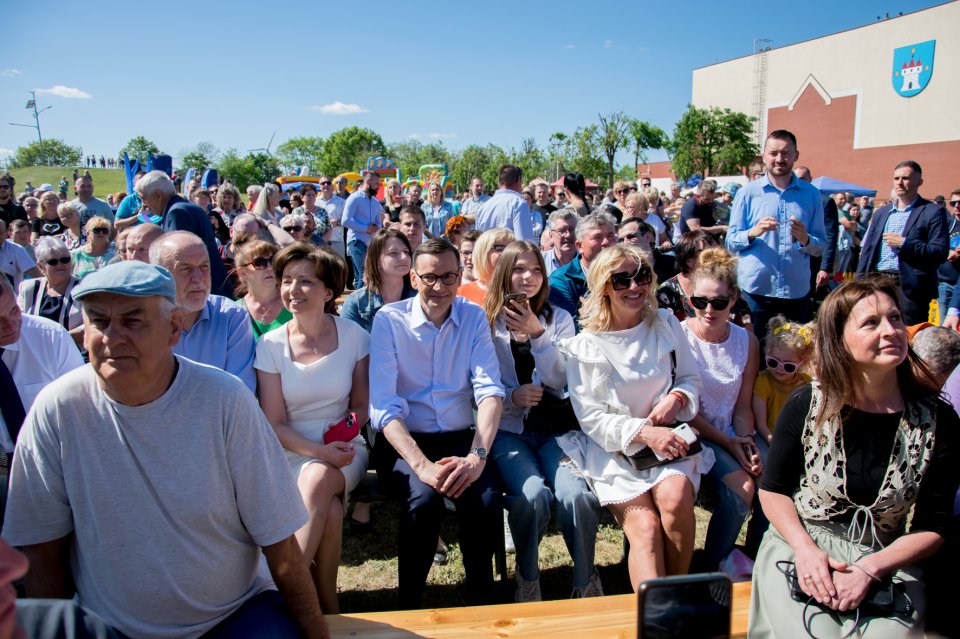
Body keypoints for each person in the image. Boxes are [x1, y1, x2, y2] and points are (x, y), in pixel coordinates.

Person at [2, 261, 329, 638]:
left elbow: (279, 542)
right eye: (98, 321)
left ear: (173, 328)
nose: (112, 336)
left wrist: (315, 632)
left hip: (235, 616)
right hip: (111, 627)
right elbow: (43, 551)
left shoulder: (223, 400)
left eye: (132, 321)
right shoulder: (57, 409)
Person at [749, 276, 960, 638]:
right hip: (803, 545)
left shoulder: (938, 419)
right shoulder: (808, 404)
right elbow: (773, 491)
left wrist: (871, 568)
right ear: (839, 340)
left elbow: (933, 525)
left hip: (886, 557)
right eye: (871, 323)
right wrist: (805, 550)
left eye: (895, 318)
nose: (891, 330)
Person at [559, 245, 713, 590]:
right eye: (621, 279)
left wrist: (676, 398)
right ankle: (655, 618)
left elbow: (690, 379)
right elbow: (592, 419)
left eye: (641, 276)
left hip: (669, 441)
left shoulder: (666, 324)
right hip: (615, 450)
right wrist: (645, 432)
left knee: (673, 501)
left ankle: (677, 593)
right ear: (603, 286)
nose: (634, 287)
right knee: (644, 528)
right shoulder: (586, 345)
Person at [370, 239, 505, 608]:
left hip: (461, 440)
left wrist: (477, 456)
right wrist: (421, 466)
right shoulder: (389, 321)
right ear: (413, 277)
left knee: (484, 499)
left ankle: (481, 600)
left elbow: (490, 390)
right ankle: (409, 602)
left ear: (460, 276)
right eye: (430, 277)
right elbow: (383, 407)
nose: (440, 287)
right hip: (404, 441)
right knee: (424, 500)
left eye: (449, 276)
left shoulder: (473, 316)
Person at [483, 240, 602, 601]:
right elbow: (475, 385)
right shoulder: (485, 323)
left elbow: (562, 379)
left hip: (555, 430)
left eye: (536, 269)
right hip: (508, 432)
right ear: (505, 273)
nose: (528, 277)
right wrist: (509, 398)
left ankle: (585, 580)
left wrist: (538, 334)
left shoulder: (558, 319)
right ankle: (528, 576)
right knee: (533, 495)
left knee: (576, 495)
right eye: (519, 269)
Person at [255, 243, 368, 614]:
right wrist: (318, 451)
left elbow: (360, 409)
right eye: (286, 280)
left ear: (329, 292)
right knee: (330, 511)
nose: (292, 290)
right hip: (288, 450)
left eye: (305, 281)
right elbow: (273, 423)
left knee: (319, 479)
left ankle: (283, 591)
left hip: (345, 446)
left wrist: (336, 442)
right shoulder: (269, 345)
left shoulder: (354, 337)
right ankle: (327, 607)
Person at [680, 248, 764, 570]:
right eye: (700, 301)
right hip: (696, 433)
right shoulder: (680, 336)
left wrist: (745, 442)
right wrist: (730, 443)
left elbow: (743, 406)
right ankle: (713, 566)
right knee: (742, 487)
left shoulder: (747, 342)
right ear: (690, 299)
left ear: (734, 299)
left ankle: (754, 557)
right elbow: (684, 411)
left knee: (772, 477)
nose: (708, 310)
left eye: (718, 302)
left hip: (732, 430)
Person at [726, 130, 825, 329]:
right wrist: (753, 232)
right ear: (764, 156)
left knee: (795, 354)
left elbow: (821, 246)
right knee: (754, 353)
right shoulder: (747, 193)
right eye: (773, 153)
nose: (779, 159)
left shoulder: (812, 195)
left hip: (795, 292)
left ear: (796, 156)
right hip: (756, 292)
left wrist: (805, 238)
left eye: (786, 153)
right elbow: (730, 243)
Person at [149, 231, 256, 393]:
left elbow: (240, 393)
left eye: (204, 267)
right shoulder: (143, 322)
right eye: (185, 269)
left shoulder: (231, 317)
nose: (198, 278)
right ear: (160, 274)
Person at [856, 160, 948, 325]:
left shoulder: (932, 211)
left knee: (908, 336)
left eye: (905, 178)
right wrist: (858, 283)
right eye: (896, 178)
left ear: (919, 182)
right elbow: (868, 250)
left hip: (910, 289)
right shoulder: (882, 213)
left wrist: (905, 243)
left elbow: (939, 252)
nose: (900, 182)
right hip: (878, 282)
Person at [136, 170, 234, 299]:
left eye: (144, 199)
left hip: (202, 295)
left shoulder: (177, 213)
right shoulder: (186, 207)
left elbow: (179, 259)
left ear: (158, 195)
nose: (145, 205)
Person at [657, 230, 753, 330]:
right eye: (708, 254)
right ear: (688, 260)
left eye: (718, 252)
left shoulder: (727, 286)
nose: (717, 260)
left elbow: (746, 325)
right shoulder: (667, 291)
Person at [548, 212, 617, 327]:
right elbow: (567, 328)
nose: (605, 242)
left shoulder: (627, 272)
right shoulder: (561, 280)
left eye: (610, 236)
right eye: (597, 237)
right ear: (580, 246)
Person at [752, 316, 814, 445]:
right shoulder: (764, 382)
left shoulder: (805, 383)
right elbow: (761, 425)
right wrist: (774, 443)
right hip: (767, 438)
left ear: (802, 364)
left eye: (788, 366)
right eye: (773, 362)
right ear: (767, 354)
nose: (780, 368)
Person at [341, 229, 415, 333]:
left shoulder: (419, 298)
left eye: (406, 252)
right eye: (393, 253)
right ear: (376, 260)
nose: (404, 257)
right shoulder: (356, 302)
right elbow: (347, 343)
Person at [17, 237, 84, 345]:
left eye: (65, 260)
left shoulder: (83, 288)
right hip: (35, 351)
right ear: (40, 266)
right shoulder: (28, 288)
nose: (60, 265)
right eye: (53, 262)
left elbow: (88, 326)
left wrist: (55, 342)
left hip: (73, 351)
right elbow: (18, 322)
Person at [233, 237, 291, 338]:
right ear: (242, 273)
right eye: (260, 263)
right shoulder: (235, 312)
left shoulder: (294, 300)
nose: (269, 267)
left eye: (273, 260)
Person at [343, 172, 384, 289]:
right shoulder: (354, 198)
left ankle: (357, 304)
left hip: (370, 243)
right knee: (364, 274)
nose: (378, 186)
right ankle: (361, 304)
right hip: (356, 241)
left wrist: (377, 228)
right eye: (376, 183)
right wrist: (366, 228)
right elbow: (345, 221)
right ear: (368, 182)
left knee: (360, 276)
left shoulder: (375, 202)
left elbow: (378, 223)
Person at [476, 165, 535, 241]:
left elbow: (478, 243)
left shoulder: (483, 206)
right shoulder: (519, 204)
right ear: (518, 182)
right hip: (509, 252)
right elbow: (524, 243)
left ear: (499, 183)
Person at [457, 227, 514, 306]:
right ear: (483, 252)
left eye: (512, 249)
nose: (509, 254)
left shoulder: (521, 290)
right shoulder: (461, 294)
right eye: (500, 249)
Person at [0, 220, 40, 291]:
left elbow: (36, 275)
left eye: (0, 233)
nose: (22, 236)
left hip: (12, 298)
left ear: (6, 233)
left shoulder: (16, 250)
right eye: (18, 232)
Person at [542, 209, 578, 275]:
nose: (568, 235)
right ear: (551, 235)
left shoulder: (587, 261)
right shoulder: (541, 261)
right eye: (561, 230)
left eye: (572, 229)